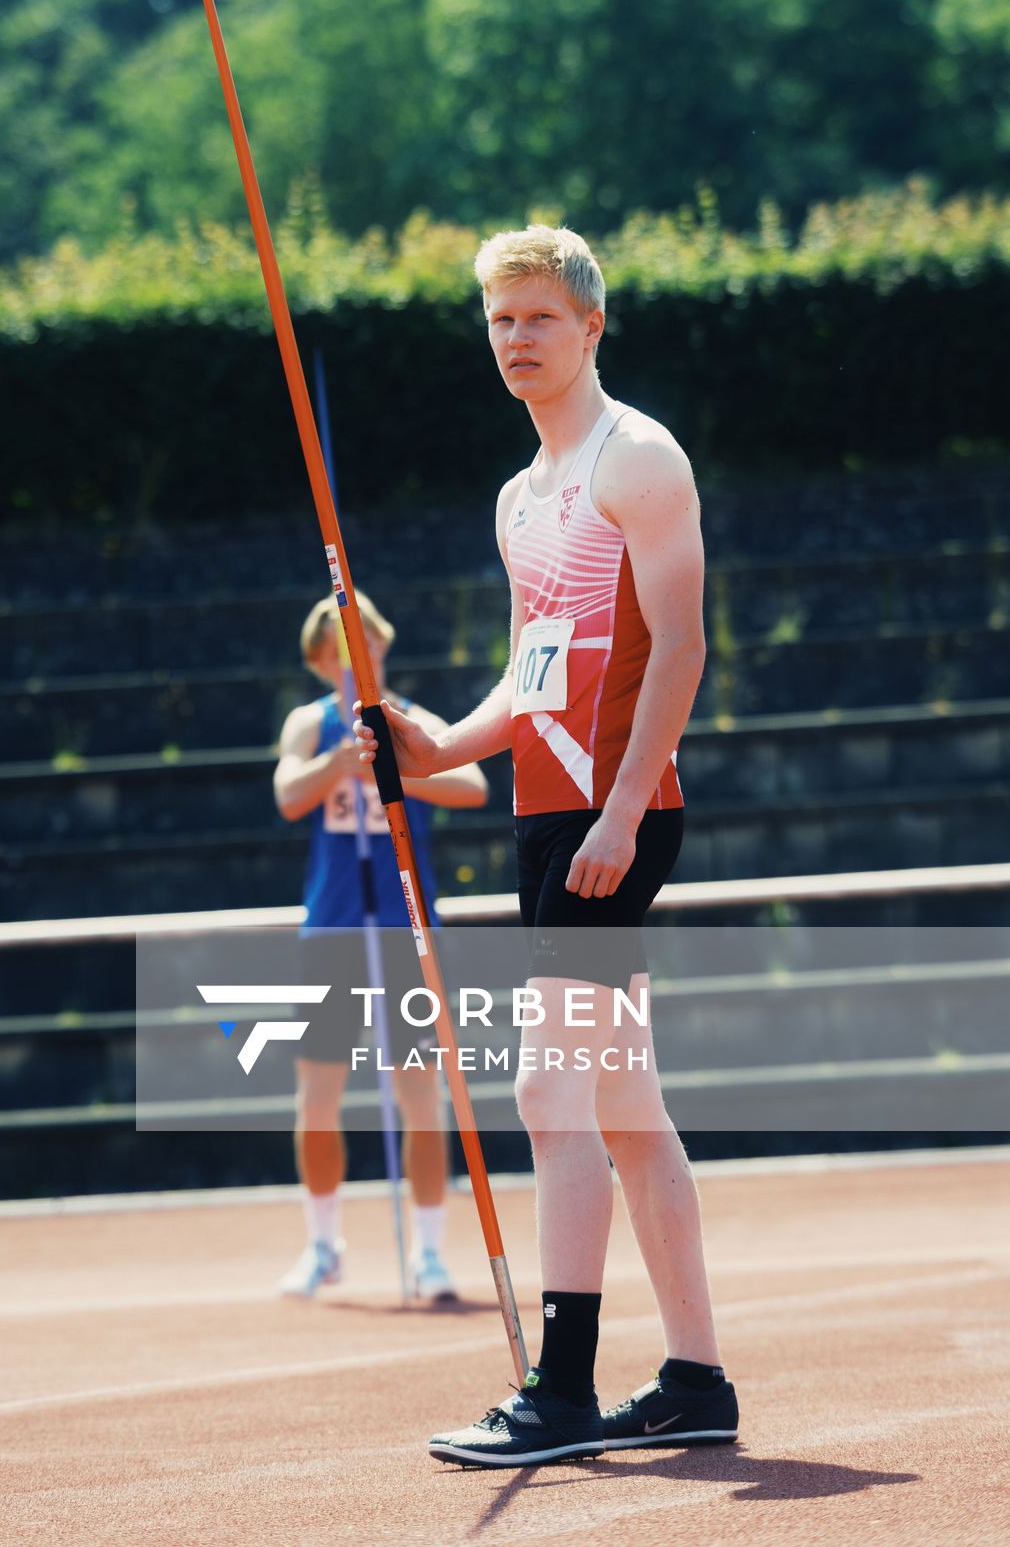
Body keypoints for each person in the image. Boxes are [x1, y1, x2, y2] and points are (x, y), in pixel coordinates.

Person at [356, 226, 737, 1465]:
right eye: (497, 321)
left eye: (537, 318)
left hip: (614, 817)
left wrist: (624, 812)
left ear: (589, 326)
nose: (515, 340)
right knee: (625, 1104)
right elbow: (526, 687)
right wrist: (429, 749)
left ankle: (560, 1388)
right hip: (546, 816)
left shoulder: (638, 460)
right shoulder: (522, 499)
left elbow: (677, 646)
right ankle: (693, 1380)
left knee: (546, 1084)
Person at [273, 590, 488, 1302]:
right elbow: (288, 795)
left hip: (405, 927)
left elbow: (475, 785)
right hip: (334, 926)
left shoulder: (409, 720)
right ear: (319, 657)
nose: (354, 654)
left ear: (383, 646)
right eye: (340, 644)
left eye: (365, 640)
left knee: (419, 1090)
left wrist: (399, 768)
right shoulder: (310, 724)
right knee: (319, 1094)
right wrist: (340, 763)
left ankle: (429, 1252)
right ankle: (322, 1243)